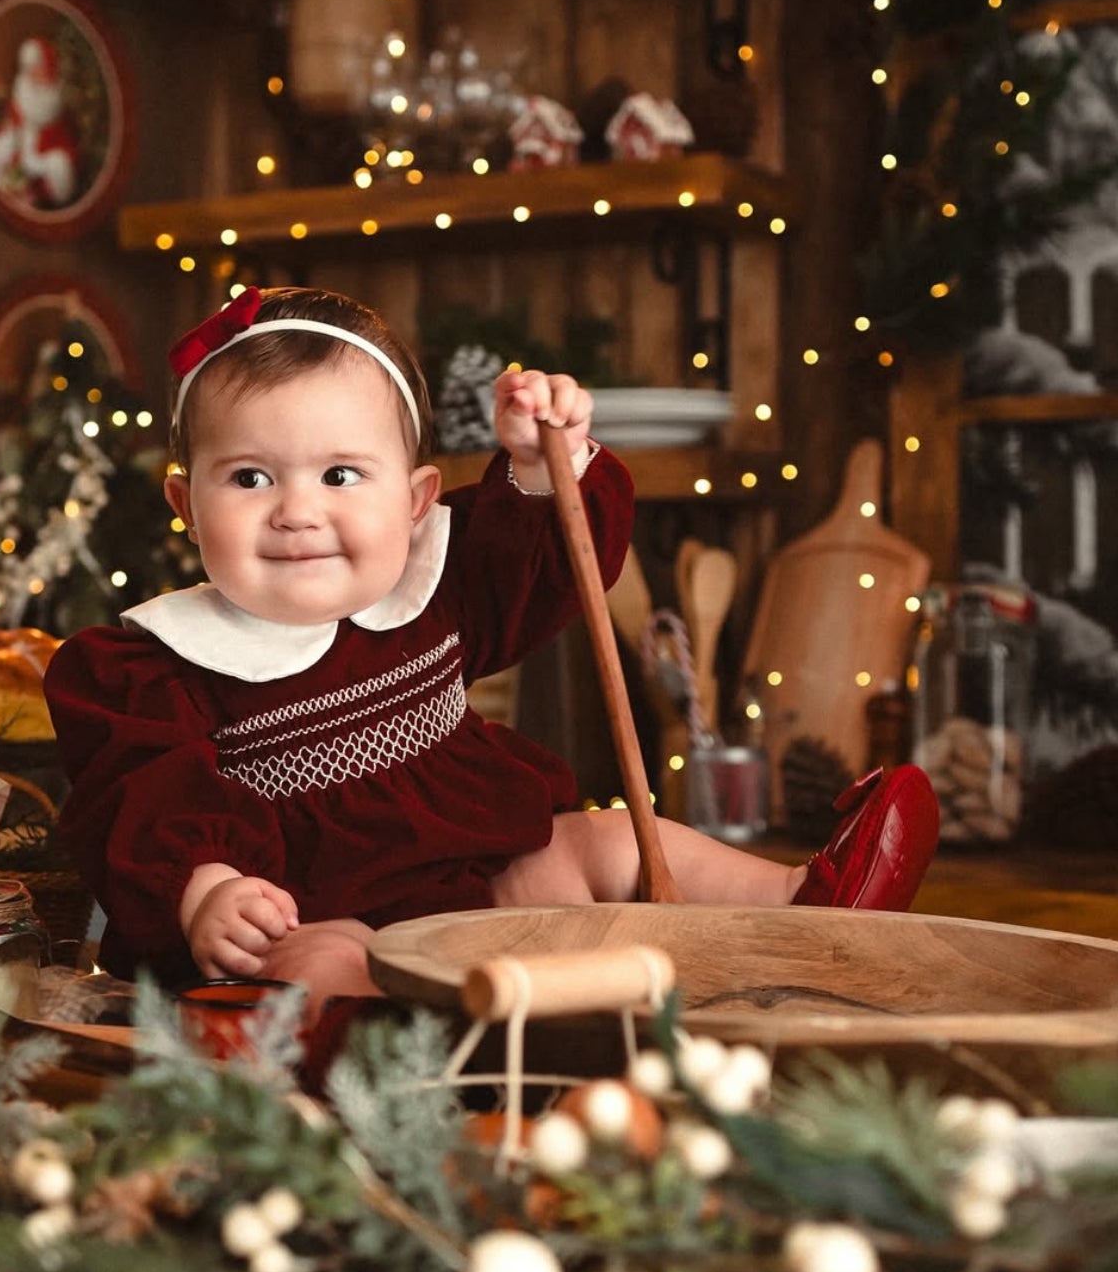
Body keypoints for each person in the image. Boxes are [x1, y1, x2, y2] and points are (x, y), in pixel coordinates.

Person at [46, 285, 939, 1020]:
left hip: (485, 879)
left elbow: (542, 568)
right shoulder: (155, 663)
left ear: (416, 498)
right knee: (318, 961)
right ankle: (377, 1058)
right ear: (184, 502)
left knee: (604, 839)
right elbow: (141, 796)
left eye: (340, 474)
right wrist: (207, 889)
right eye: (249, 477)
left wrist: (543, 470)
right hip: (330, 906)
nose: (296, 510)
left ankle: (806, 904)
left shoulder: (431, 588)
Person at [0, 35, 81, 210]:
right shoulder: (21, 94)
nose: (34, 74)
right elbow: (11, 125)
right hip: (20, 160)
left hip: (47, 161)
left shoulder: (57, 101)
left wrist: (42, 162)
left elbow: (66, 139)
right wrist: (11, 144)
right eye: (30, 68)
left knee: (60, 165)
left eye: (39, 67)